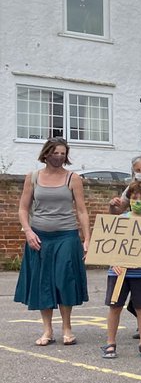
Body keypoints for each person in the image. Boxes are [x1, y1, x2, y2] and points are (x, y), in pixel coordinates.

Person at [15, 138, 90, 346]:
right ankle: (47, 330)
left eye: (63, 153)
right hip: (39, 236)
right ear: (46, 153)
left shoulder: (72, 178)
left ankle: (67, 328)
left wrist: (87, 239)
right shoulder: (33, 177)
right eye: (55, 153)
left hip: (67, 235)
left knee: (65, 279)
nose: (59, 157)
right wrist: (28, 232)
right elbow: (23, 209)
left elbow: (82, 211)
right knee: (43, 283)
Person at [101, 181, 141, 360]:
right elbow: (109, 244)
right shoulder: (122, 219)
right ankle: (110, 342)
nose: (138, 201)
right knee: (115, 307)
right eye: (134, 198)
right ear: (129, 199)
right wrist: (113, 262)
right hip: (118, 272)